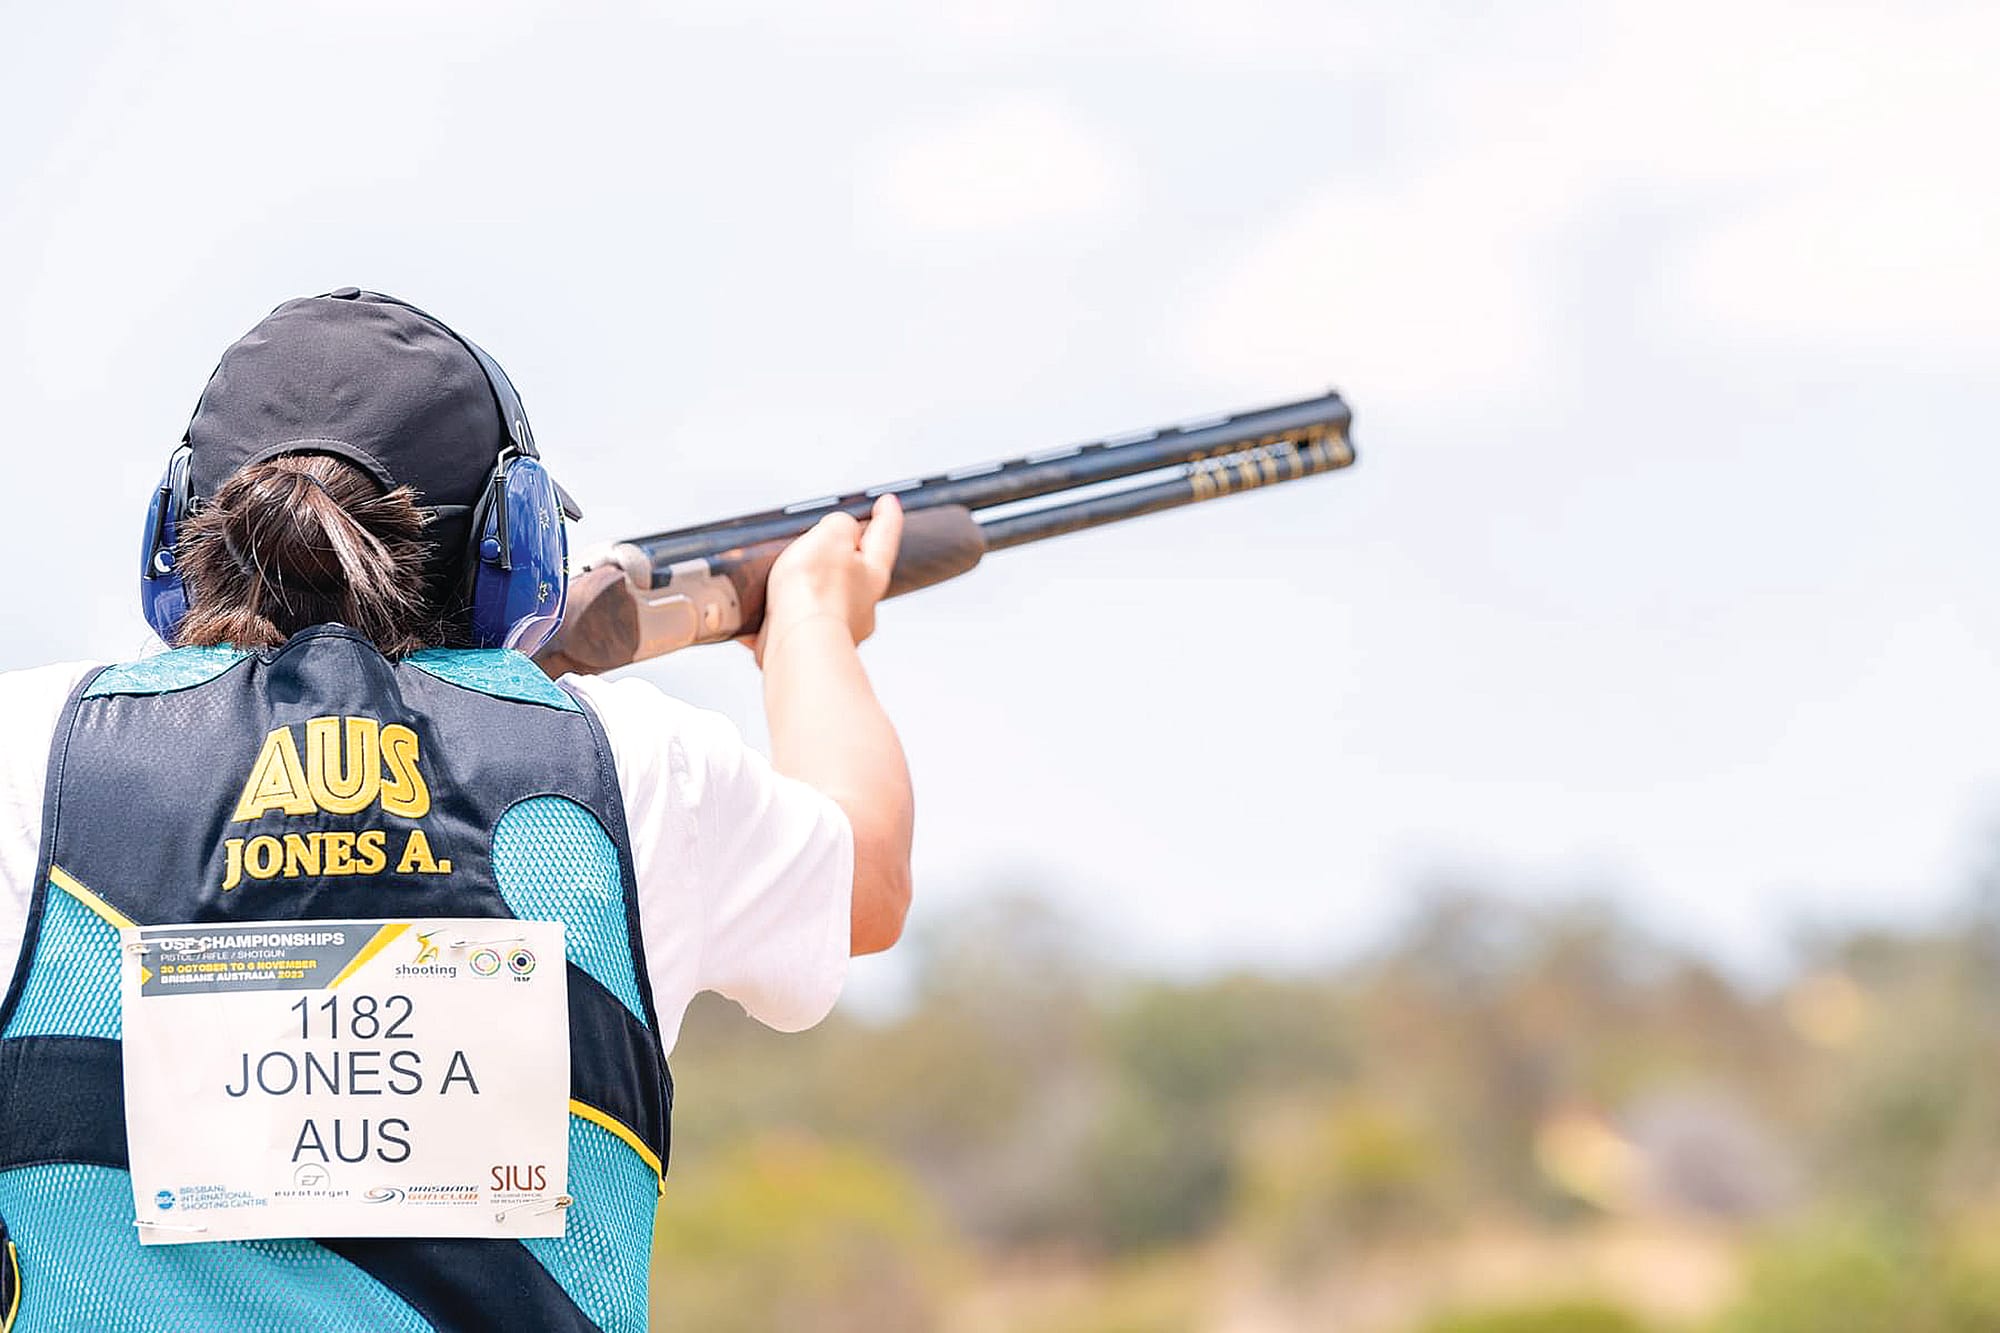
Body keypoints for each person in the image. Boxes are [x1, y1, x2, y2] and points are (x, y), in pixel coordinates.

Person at [0, 289, 913, 1331]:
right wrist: (809, 621)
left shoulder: (30, 753)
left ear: (180, 529)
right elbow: (868, 879)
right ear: (510, 545)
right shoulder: (632, 762)